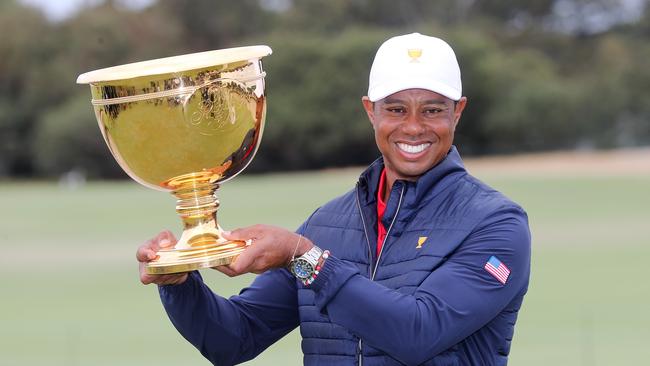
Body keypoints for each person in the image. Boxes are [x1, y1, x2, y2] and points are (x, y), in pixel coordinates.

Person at [137, 33, 531, 366]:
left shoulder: (496, 224)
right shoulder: (328, 224)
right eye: (395, 109)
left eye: (433, 110)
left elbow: (419, 332)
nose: (413, 127)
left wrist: (306, 259)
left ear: (457, 113)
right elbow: (234, 337)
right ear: (370, 112)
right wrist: (180, 284)